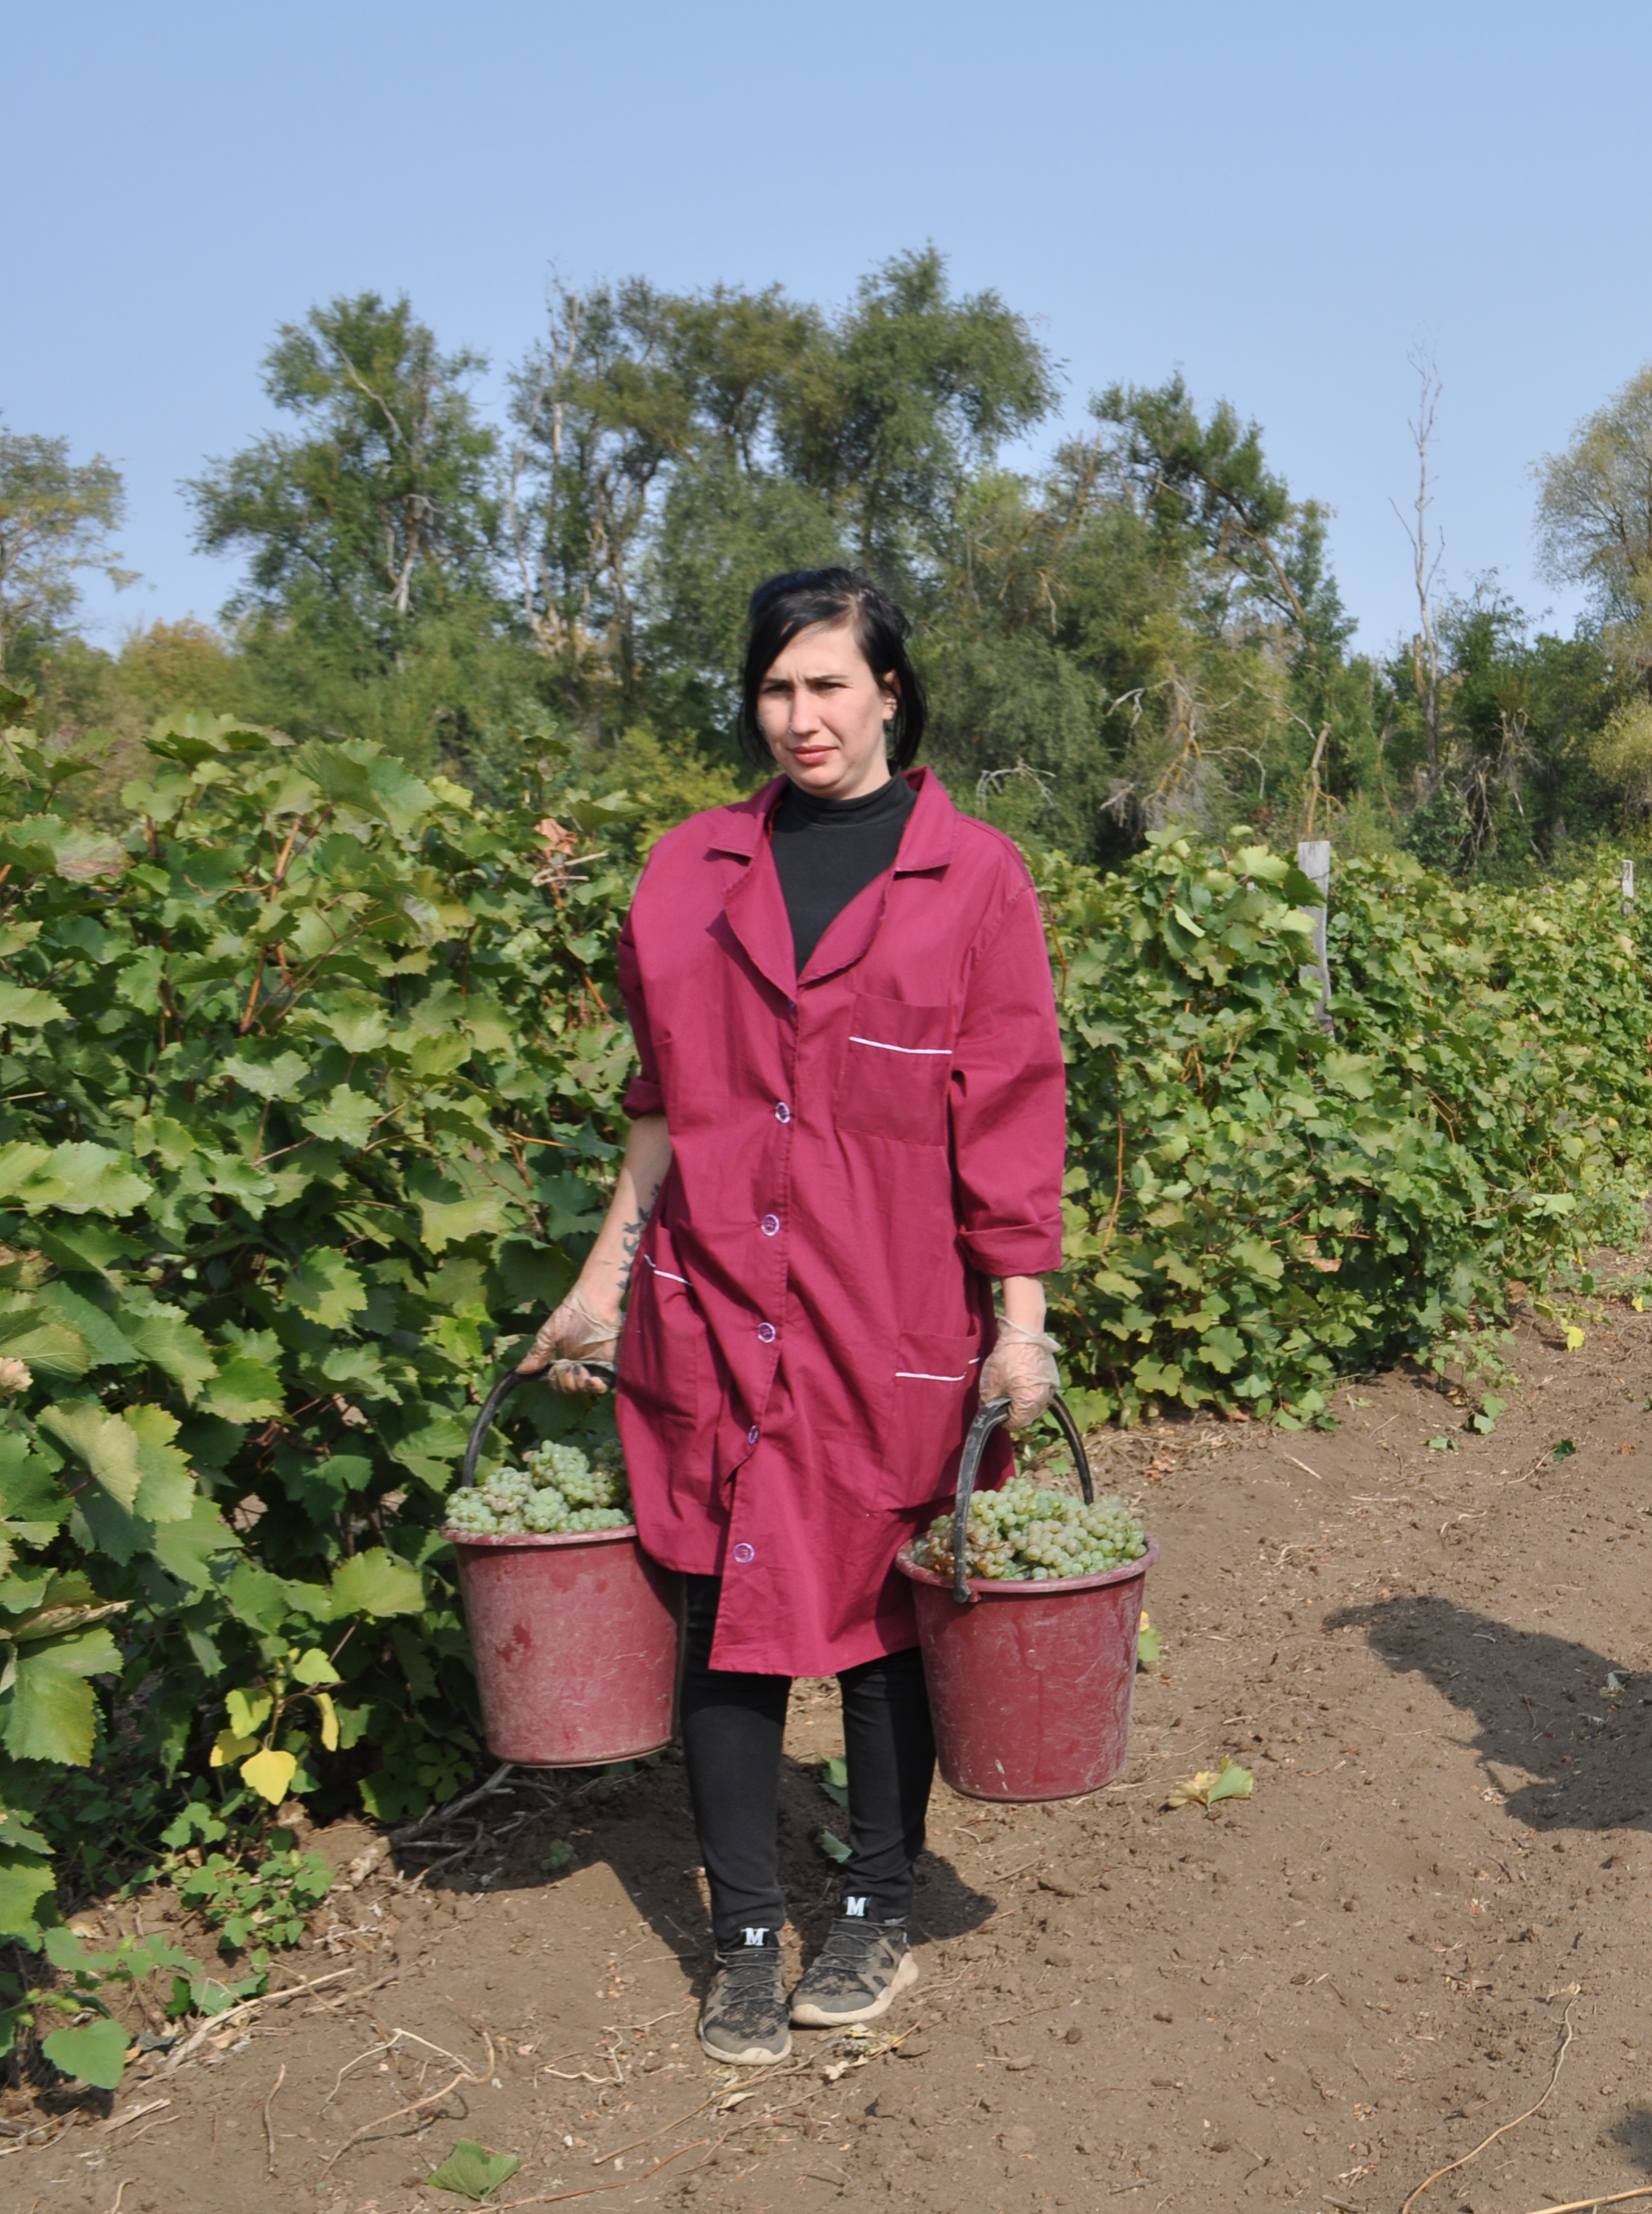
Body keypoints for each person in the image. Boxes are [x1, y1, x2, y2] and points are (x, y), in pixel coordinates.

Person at [523, 568, 1069, 2066]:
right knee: (721, 1615)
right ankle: (747, 1935)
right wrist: (601, 1279)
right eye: (777, 689)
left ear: (892, 692)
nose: (802, 718)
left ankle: (877, 1908)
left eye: (831, 686)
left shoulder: (978, 878)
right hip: (713, 1299)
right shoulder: (687, 870)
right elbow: (662, 1105)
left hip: (889, 1302)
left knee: (885, 1621)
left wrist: (1020, 1324)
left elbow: (1012, 1113)